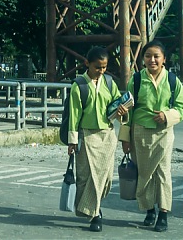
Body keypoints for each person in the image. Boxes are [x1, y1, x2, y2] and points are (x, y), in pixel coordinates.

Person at [119, 40, 183, 232]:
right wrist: (125, 139)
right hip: (140, 132)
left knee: (163, 173)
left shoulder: (172, 80)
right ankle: (149, 210)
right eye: (148, 56)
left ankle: (163, 214)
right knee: (144, 173)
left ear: (164, 59)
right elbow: (128, 112)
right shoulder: (136, 80)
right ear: (143, 60)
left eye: (156, 56)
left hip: (164, 133)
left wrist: (167, 116)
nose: (152, 60)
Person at [67, 46, 126, 232]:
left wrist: (122, 111)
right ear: (87, 64)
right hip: (86, 134)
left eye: (104, 67)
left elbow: (117, 102)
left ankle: (91, 208)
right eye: (97, 67)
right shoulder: (79, 85)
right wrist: (72, 140)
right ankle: (96, 213)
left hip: (107, 134)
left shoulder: (109, 82)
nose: (101, 71)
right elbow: (74, 114)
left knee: (105, 176)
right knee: (87, 176)